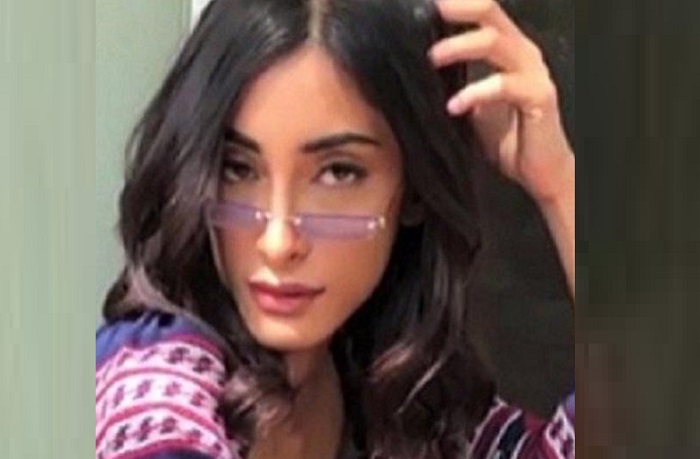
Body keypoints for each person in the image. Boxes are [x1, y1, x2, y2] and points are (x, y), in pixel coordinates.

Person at [96, 0, 575, 458]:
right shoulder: (151, 392)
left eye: (338, 173)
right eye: (237, 168)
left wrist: (560, 185)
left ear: (413, 190)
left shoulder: (405, 405)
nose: (278, 243)